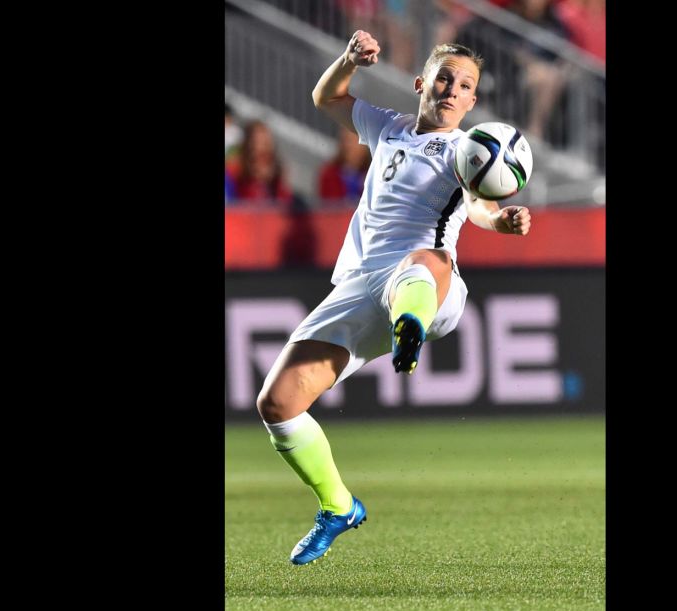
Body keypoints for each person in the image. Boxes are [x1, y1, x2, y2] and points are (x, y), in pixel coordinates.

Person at [255, 30, 532, 566]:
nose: (452, 90)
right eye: (445, 78)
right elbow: (327, 99)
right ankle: (337, 507)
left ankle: (412, 327)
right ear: (421, 82)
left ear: (474, 102)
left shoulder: (467, 149)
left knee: (420, 262)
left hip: (430, 282)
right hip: (361, 285)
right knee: (278, 404)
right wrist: (349, 60)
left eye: (465, 85)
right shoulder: (388, 126)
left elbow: (474, 203)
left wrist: (499, 219)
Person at [226, 120, 295, 206]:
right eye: (256, 143)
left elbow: (286, 204)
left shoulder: (277, 176)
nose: (261, 148)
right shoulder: (235, 171)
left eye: (266, 143)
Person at [317, 126, 371, 205]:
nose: (350, 146)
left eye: (355, 141)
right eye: (347, 140)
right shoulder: (330, 174)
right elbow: (331, 207)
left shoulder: (373, 174)